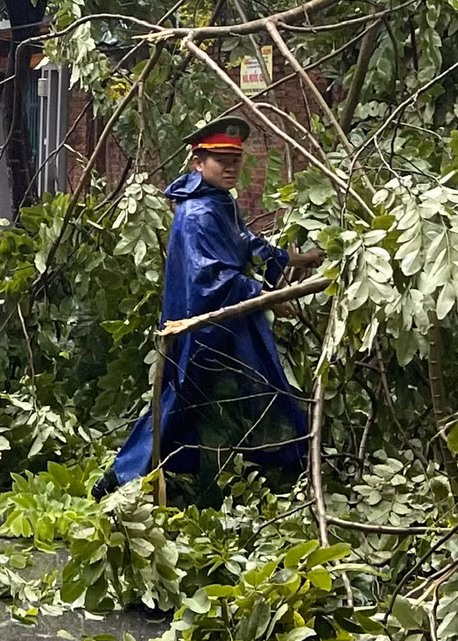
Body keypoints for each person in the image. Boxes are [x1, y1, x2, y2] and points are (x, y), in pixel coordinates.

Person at [100, 117, 316, 499]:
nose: (230, 168)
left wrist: (295, 259)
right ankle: (139, 483)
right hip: (204, 333)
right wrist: (268, 295)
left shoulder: (220, 202)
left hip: (223, 328)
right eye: (221, 161)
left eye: (235, 160)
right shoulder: (198, 214)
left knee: (201, 406)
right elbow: (211, 281)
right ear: (198, 163)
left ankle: (163, 480)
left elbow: (246, 244)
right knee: (203, 407)